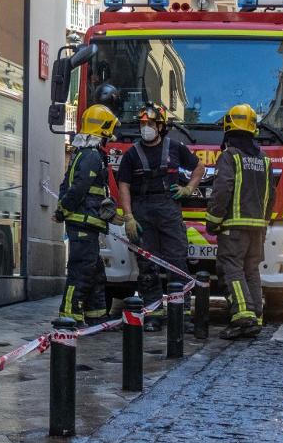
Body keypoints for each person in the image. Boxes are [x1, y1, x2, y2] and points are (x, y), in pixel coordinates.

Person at [117, 102, 205, 331]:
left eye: (149, 123)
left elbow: (199, 168)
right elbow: (124, 185)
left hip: (168, 208)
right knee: (148, 264)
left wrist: (189, 189)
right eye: (142, 123)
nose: (145, 127)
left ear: (160, 126)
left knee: (176, 261)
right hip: (142, 211)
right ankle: (153, 313)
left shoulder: (175, 148)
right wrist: (128, 217)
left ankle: (181, 314)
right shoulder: (131, 154)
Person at [205, 103, 274, 340]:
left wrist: (213, 221)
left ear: (228, 127)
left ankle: (242, 318)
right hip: (258, 226)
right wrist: (264, 224)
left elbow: (222, 190)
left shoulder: (230, 156)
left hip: (233, 226)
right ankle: (256, 315)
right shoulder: (264, 159)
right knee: (251, 271)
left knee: (231, 269)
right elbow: (270, 196)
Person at [55, 104, 121, 327]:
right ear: (102, 129)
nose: (111, 136)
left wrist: (62, 209)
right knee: (81, 271)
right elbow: (79, 187)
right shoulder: (92, 156)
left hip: (88, 222)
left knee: (95, 272)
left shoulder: (82, 154)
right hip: (83, 223)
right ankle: (69, 315)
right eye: (109, 130)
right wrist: (63, 210)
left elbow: (67, 185)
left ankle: (97, 315)